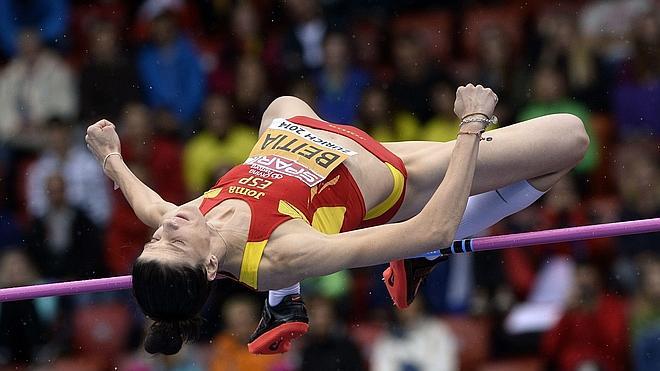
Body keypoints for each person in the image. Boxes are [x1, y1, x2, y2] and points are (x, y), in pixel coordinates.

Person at [84, 84, 589, 356]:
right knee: (569, 140)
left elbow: (145, 204)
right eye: (173, 243)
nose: (168, 226)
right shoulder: (282, 252)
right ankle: (412, 263)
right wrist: (470, 129)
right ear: (212, 266)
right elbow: (430, 224)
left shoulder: (184, 222)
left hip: (310, 137)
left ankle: (284, 304)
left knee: (281, 102)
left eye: (155, 240)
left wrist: (111, 159)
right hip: (397, 173)